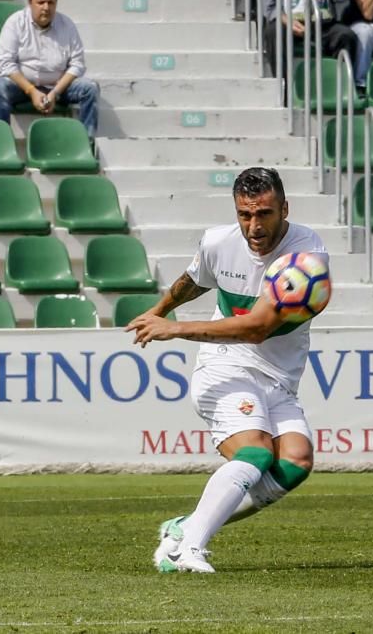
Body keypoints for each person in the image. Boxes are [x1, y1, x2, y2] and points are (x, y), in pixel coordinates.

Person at [127, 167, 329, 574]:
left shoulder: (305, 256)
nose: (254, 226)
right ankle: (188, 552)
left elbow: (256, 329)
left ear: (284, 209)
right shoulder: (219, 241)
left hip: (276, 376)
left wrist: (176, 328)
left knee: (295, 462)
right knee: (255, 453)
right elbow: (195, 279)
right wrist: (160, 309)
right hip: (223, 366)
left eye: (265, 214)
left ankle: (185, 529)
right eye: (244, 215)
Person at [0, 0, 99, 138]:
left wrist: (55, 93)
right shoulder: (15, 23)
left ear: (56, 4)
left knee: (90, 88)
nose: (46, 7)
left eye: (50, 3)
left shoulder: (67, 25)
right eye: (41, 2)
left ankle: (87, 144)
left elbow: (77, 64)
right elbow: (5, 64)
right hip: (23, 87)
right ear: (30, 3)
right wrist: (31, 91)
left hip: (58, 87)